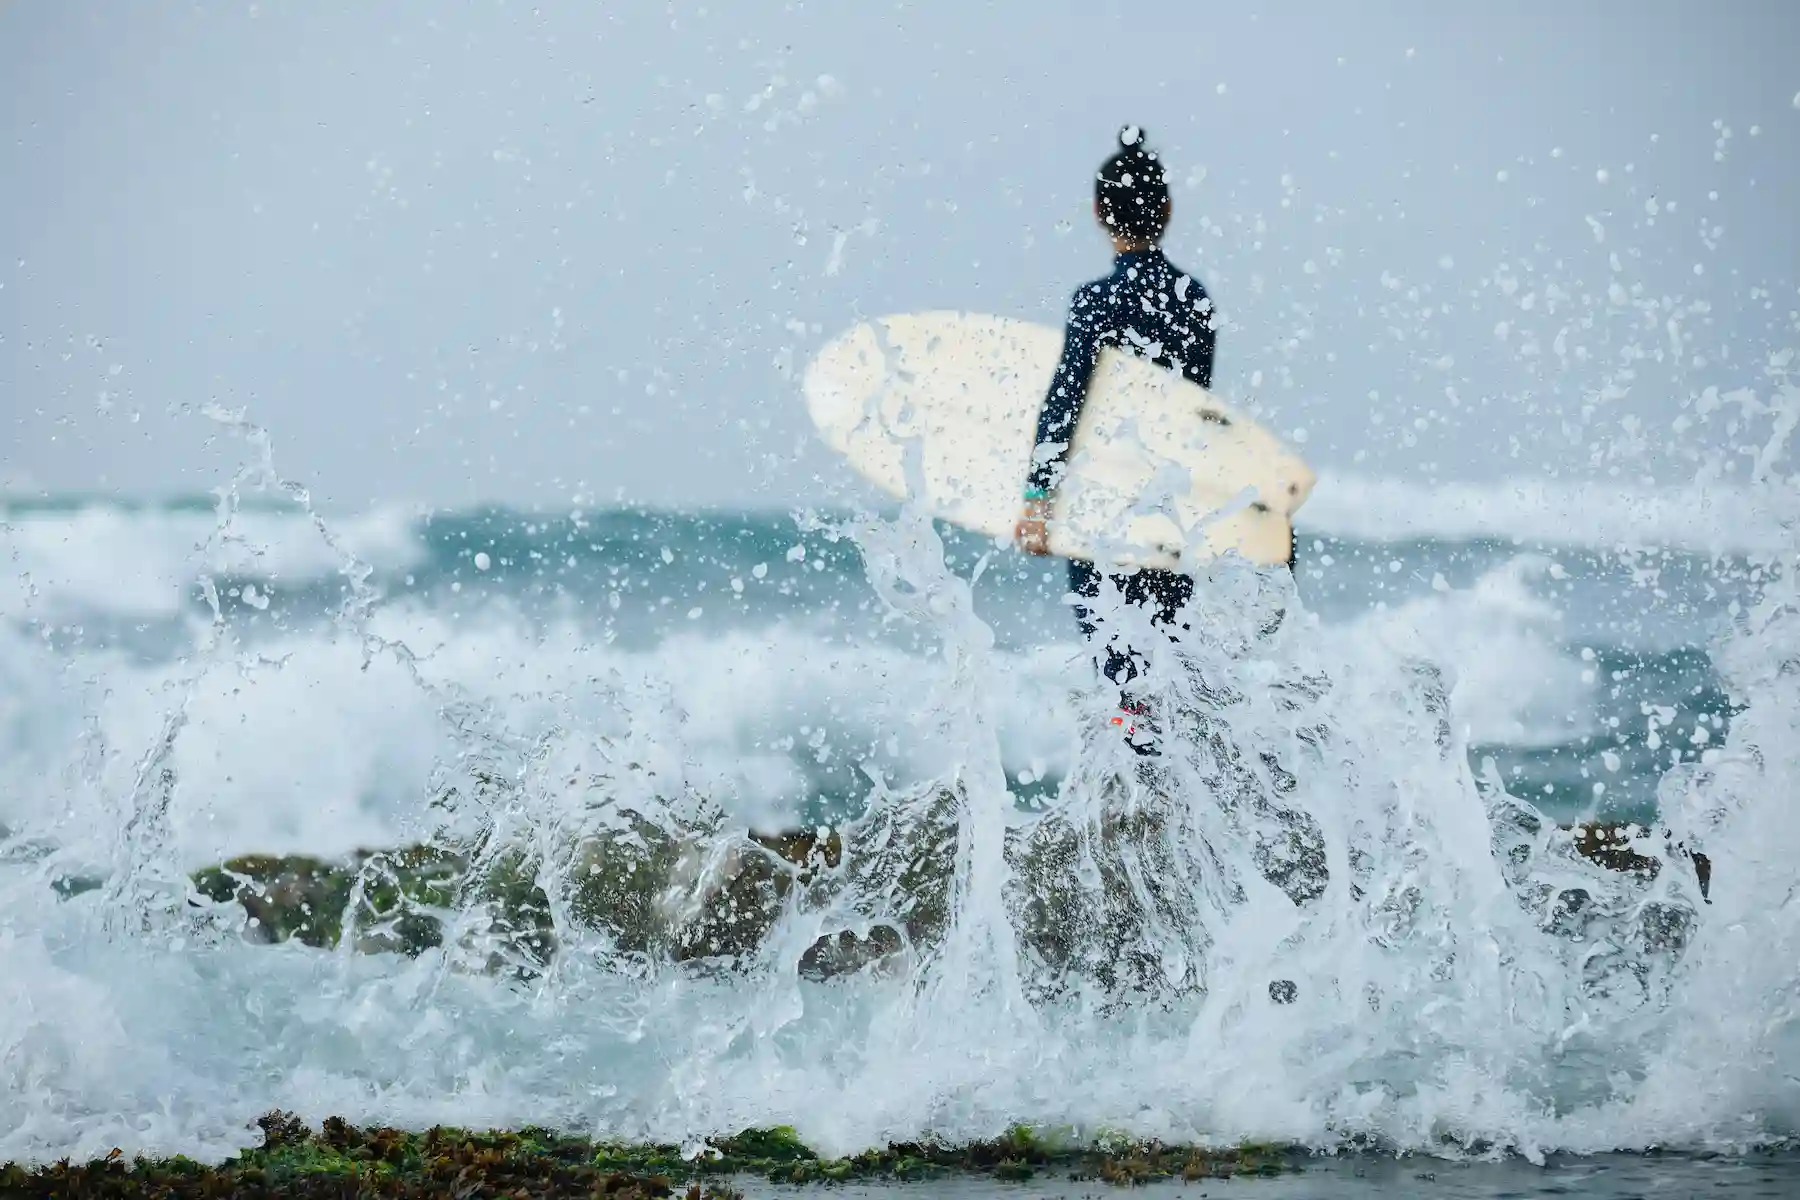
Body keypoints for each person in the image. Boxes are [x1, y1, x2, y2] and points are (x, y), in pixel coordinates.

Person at [1013, 126, 1218, 756]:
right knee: (1172, 655)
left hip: (1103, 508)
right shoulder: (1195, 300)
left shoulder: (1096, 302)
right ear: (1168, 211)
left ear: (1101, 213)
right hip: (1173, 509)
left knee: (1119, 665)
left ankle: (1137, 792)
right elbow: (1193, 412)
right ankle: (1184, 790)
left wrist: (1038, 498)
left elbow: (1065, 404)